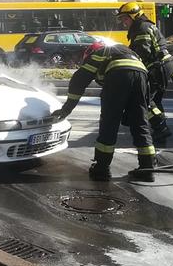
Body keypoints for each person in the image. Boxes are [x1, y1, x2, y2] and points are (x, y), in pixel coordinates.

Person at [52, 42, 156, 182]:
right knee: (140, 123)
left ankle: (101, 169)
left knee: (109, 123)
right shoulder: (126, 51)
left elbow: (79, 81)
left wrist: (67, 108)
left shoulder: (99, 54)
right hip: (142, 76)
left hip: (118, 75)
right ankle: (147, 168)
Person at [116, 1, 173, 141]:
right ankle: (160, 129)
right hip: (163, 66)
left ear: (134, 16)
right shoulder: (143, 25)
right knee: (155, 100)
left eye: (125, 18)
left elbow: (142, 52)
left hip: (158, 67)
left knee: (144, 99)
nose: (124, 22)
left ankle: (161, 127)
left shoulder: (141, 28)